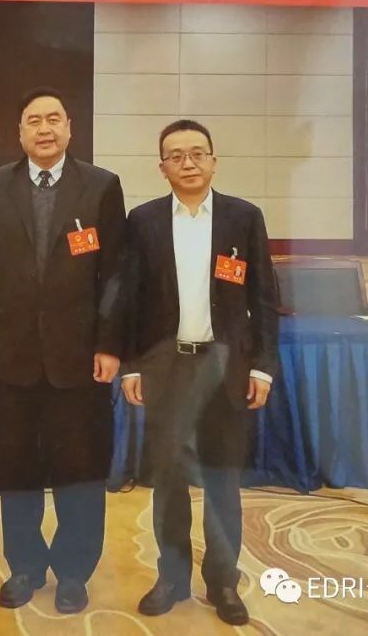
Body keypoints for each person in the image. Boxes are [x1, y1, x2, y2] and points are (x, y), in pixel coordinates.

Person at [0, 87, 126, 614]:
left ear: (69, 128)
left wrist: (109, 343)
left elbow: (115, 274)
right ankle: (26, 566)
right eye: (33, 120)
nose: (44, 128)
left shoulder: (101, 186)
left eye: (53, 118)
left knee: (79, 467)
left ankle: (74, 571)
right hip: (10, 354)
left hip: (79, 358)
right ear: (19, 132)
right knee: (17, 468)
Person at [121, 119, 279, 626]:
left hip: (225, 369)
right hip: (167, 369)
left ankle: (223, 581)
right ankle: (171, 577)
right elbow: (129, 301)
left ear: (213, 161)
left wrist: (263, 367)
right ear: (161, 166)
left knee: (222, 480)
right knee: (169, 479)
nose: (188, 163)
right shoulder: (143, 220)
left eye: (197, 153)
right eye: (176, 156)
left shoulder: (243, 218)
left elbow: (264, 299)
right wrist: (130, 366)